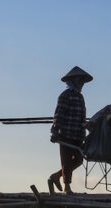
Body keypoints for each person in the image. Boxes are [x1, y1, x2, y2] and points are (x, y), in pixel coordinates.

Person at [48, 66, 91, 194]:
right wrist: (55, 131)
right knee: (66, 161)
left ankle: (57, 175)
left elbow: (82, 117)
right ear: (73, 81)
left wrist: (87, 127)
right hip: (66, 134)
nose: (82, 83)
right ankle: (67, 187)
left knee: (78, 160)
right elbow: (59, 114)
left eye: (83, 81)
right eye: (80, 80)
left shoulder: (80, 97)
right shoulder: (65, 95)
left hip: (78, 134)